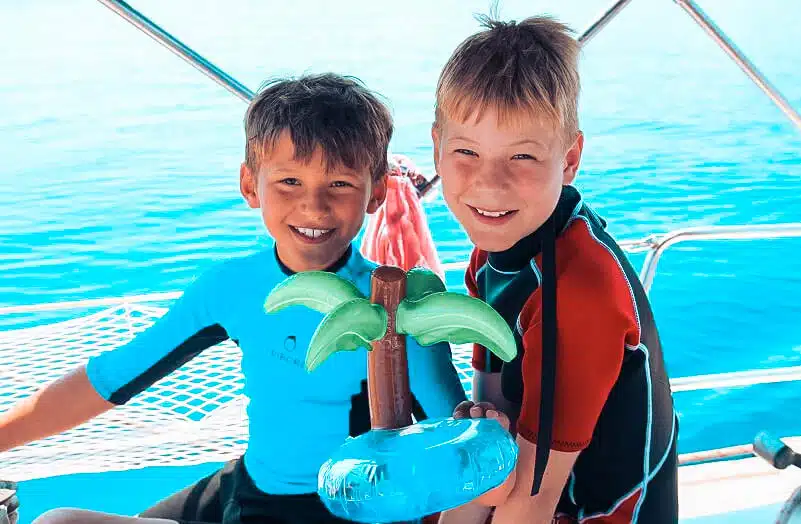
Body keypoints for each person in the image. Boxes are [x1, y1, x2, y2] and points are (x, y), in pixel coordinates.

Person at [0, 73, 467, 524]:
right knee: (59, 520)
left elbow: (455, 442)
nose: (314, 206)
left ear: (377, 191)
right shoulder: (234, 287)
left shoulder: (395, 308)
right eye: (289, 182)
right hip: (248, 485)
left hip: (340, 509)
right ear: (250, 185)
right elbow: (110, 378)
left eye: (340, 184)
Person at [432, 15, 679, 523]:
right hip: (543, 483)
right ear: (437, 146)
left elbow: (531, 502)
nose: (490, 185)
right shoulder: (493, 258)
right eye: (466, 152)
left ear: (569, 160)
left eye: (521, 156)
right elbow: (493, 410)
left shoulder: (577, 294)